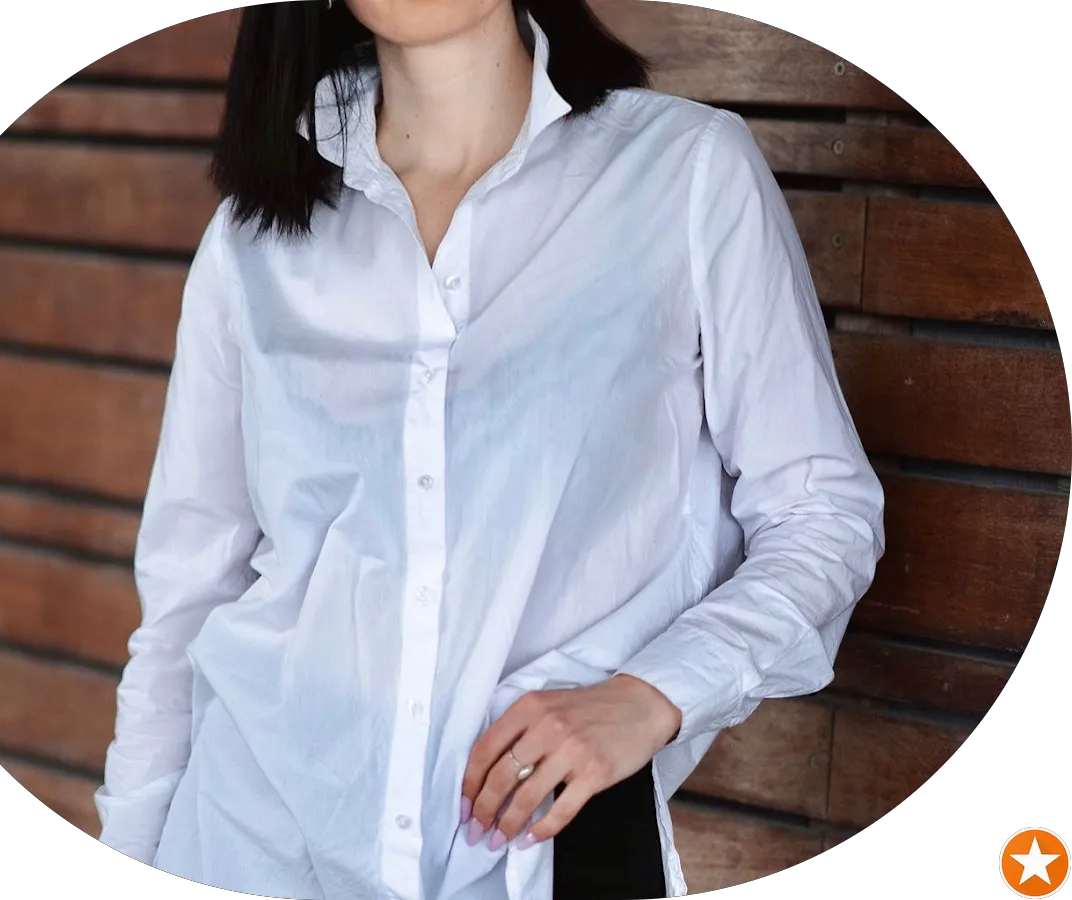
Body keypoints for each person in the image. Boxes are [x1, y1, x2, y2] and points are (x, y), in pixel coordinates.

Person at [93, 2, 886, 898]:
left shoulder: (686, 172)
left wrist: (654, 693)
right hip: (249, 839)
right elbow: (187, 599)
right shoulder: (254, 233)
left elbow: (823, 514)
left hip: (539, 861)